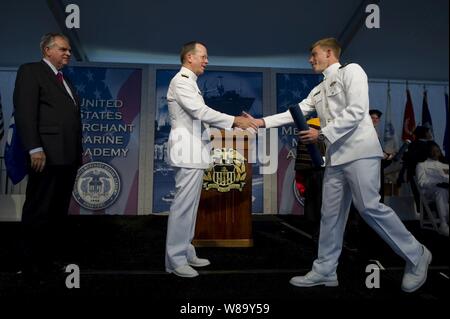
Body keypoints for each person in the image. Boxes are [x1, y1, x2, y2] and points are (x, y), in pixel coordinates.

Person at [248, 38, 431, 293]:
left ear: (329, 53)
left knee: (369, 207)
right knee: (330, 215)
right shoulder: (319, 89)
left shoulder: (352, 71)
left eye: (314, 54)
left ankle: (417, 254)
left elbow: (357, 111)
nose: (310, 59)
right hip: (335, 158)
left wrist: (321, 134)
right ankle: (325, 269)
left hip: (360, 152)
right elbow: (296, 112)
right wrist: (260, 122)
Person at [165, 41, 258, 278]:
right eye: (203, 56)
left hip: (194, 152)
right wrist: (236, 120)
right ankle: (175, 260)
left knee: (191, 207)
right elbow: (200, 112)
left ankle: (185, 250)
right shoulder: (182, 81)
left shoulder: (190, 83)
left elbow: (200, 117)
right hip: (187, 152)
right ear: (189, 58)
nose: (207, 61)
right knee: (183, 208)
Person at [14, 33, 82, 282]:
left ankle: (49, 259)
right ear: (46, 49)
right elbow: (24, 112)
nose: (68, 53)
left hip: (67, 158)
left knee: (56, 213)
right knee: (38, 210)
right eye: (63, 49)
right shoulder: (31, 71)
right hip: (45, 156)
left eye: (69, 50)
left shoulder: (66, 80)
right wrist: (34, 148)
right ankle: (29, 264)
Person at [416, 142, 449, 236]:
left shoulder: (444, 165)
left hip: (445, 189)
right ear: (429, 152)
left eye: (437, 151)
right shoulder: (421, 165)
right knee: (441, 191)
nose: (436, 153)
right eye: (433, 151)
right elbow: (421, 183)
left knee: (443, 190)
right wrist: (436, 183)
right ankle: (443, 225)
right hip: (430, 191)